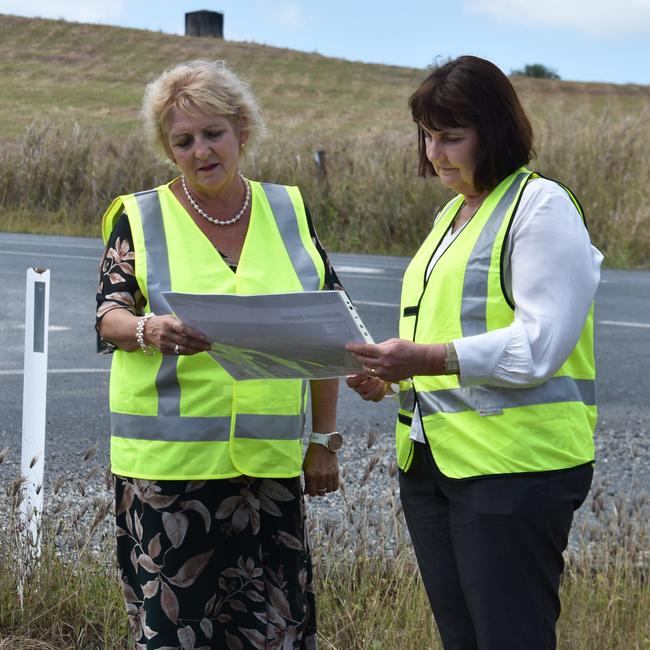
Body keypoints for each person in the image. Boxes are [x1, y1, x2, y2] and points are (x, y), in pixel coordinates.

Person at [346, 55, 602, 650]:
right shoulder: (454, 214)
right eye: (428, 136)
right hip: (437, 466)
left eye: (451, 137)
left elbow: (541, 345)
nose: (435, 152)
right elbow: (448, 333)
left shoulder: (541, 207)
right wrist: (392, 379)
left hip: (516, 471)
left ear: (497, 130)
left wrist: (425, 359)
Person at [96, 59, 343, 649]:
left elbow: (327, 327)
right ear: (168, 149)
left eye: (213, 134)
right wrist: (147, 328)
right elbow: (108, 316)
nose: (201, 150)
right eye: (183, 141)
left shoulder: (288, 211)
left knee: (274, 629)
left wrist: (324, 441)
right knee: (177, 634)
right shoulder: (139, 215)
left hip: (269, 471)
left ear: (242, 132)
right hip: (168, 477)